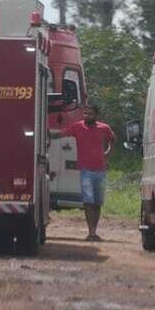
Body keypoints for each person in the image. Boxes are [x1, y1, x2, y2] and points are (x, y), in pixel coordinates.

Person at [51, 103, 115, 241]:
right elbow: (61, 134)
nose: (87, 116)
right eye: (85, 113)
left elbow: (112, 140)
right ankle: (91, 232)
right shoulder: (78, 127)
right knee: (87, 201)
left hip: (100, 170)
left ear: (96, 115)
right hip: (85, 170)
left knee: (97, 202)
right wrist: (46, 133)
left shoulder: (104, 128)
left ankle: (94, 230)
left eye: (90, 114)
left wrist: (107, 153)